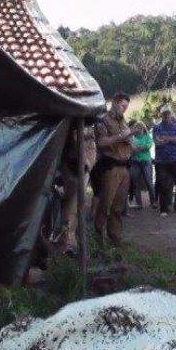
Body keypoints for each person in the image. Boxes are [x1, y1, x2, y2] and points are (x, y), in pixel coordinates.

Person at [94, 93, 134, 246]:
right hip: (111, 167)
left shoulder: (124, 121)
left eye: (126, 107)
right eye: (123, 106)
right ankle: (98, 239)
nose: (124, 110)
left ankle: (115, 237)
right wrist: (120, 136)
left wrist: (131, 136)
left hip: (125, 167)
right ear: (115, 103)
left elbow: (128, 142)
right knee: (105, 204)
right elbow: (101, 142)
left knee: (118, 206)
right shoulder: (103, 120)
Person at [57, 125, 97, 253]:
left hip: (84, 167)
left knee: (78, 203)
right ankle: (66, 240)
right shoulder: (76, 121)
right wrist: (86, 160)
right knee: (72, 204)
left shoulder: (91, 121)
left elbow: (91, 143)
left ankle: (70, 238)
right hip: (74, 166)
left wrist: (89, 162)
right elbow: (75, 138)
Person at [130, 121, 157, 209]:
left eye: (140, 127)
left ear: (143, 128)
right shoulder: (132, 137)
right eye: (137, 127)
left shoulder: (147, 136)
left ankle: (153, 202)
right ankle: (138, 204)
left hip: (146, 161)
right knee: (135, 183)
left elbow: (148, 146)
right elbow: (131, 148)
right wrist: (140, 147)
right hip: (135, 162)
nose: (139, 129)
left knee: (149, 182)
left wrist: (136, 147)